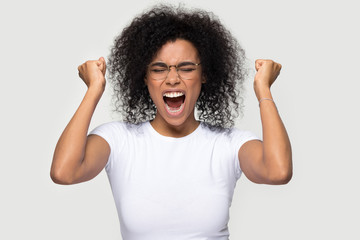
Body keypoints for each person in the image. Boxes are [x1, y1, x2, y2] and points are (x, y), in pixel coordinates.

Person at [50, 5, 292, 240]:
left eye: (186, 68)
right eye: (159, 69)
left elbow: (278, 171)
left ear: (204, 74)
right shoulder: (119, 139)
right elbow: (64, 172)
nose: (173, 79)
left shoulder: (229, 144)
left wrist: (263, 90)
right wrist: (94, 89)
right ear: (144, 77)